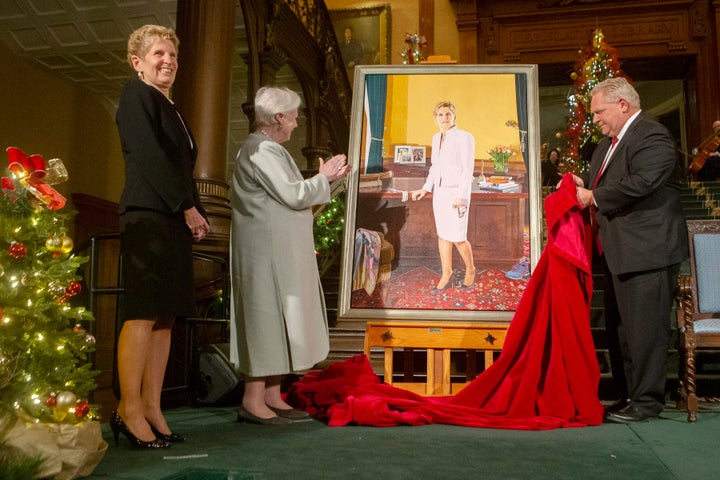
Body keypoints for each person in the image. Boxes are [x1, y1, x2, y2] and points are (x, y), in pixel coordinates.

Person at [230, 86, 350, 425]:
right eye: (294, 118)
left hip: (275, 249)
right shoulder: (261, 149)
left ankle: (271, 394)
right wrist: (323, 177)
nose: (296, 124)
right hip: (264, 252)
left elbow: (291, 202)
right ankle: (253, 400)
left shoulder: (268, 149)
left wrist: (332, 182)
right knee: (265, 320)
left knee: (278, 319)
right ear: (278, 117)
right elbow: (293, 195)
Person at [113, 25, 209, 448]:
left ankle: (152, 407)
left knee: (166, 315)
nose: (167, 60)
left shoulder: (174, 109)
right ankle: (128, 409)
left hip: (172, 217)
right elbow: (150, 159)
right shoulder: (136, 96)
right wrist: (184, 206)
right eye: (158, 53)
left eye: (172, 53)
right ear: (138, 62)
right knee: (144, 311)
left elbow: (181, 170)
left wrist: (198, 212)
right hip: (148, 216)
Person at [573, 77, 688, 423]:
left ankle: (648, 401)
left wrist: (595, 196)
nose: (593, 119)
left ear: (623, 105)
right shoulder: (606, 145)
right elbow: (606, 182)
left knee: (646, 333)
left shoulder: (651, 135)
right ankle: (628, 396)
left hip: (648, 251)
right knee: (622, 332)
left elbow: (644, 181)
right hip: (618, 252)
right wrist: (584, 185)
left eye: (598, 112)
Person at [410, 101, 476, 291]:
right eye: (441, 114)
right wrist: (425, 188)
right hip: (440, 193)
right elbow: (435, 167)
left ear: (454, 116)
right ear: (435, 118)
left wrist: (460, 196)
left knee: (458, 237)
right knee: (443, 235)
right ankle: (447, 272)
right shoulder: (435, 138)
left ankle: (470, 270)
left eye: (448, 114)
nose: (445, 118)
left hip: (457, 193)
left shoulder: (464, 137)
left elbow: (467, 169)